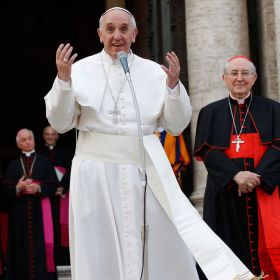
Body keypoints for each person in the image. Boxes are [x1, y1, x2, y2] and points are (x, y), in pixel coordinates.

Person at [44, 7, 261, 280]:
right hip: (95, 176)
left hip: (145, 173)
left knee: (158, 243)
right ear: (100, 34)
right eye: (110, 29)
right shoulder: (78, 71)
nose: (117, 35)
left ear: (135, 34)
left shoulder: (154, 73)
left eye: (124, 29)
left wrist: (172, 88)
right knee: (99, 248)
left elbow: (176, 125)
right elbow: (62, 123)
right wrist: (63, 81)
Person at [194, 55, 280, 279]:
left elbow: (279, 146)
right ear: (224, 78)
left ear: (254, 78)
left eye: (245, 73)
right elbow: (207, 151)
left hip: (264, 192)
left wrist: (256, 178)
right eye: (234, 73)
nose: (239, 78)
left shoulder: (273, 109)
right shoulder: (210, 112)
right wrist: (235, 176)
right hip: (225, 194)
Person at [2, 128, 58, 280]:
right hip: (19, 216)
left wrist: (39, 188)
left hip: (40, 214)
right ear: (19, 144)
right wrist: (17, 188)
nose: (27, 142)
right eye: (23, 140)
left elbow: (53, 187)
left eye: (30, 138)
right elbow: (4, 193)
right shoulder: (13, 165)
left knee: (40, 250)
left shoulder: (44, 161)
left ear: (34, 140)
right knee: (19, 249)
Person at [37, 125, 72, 266]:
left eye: (53, 134)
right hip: (47, 196)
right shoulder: (39, 153)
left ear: (57, 136)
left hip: (63, 194)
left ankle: (64, 259)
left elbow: (70, 170)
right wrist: (52, 189)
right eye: (47, 134)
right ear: (43, 136)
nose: (50, 136)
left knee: (63, 225)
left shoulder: (65, 152)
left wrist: (63, 186)